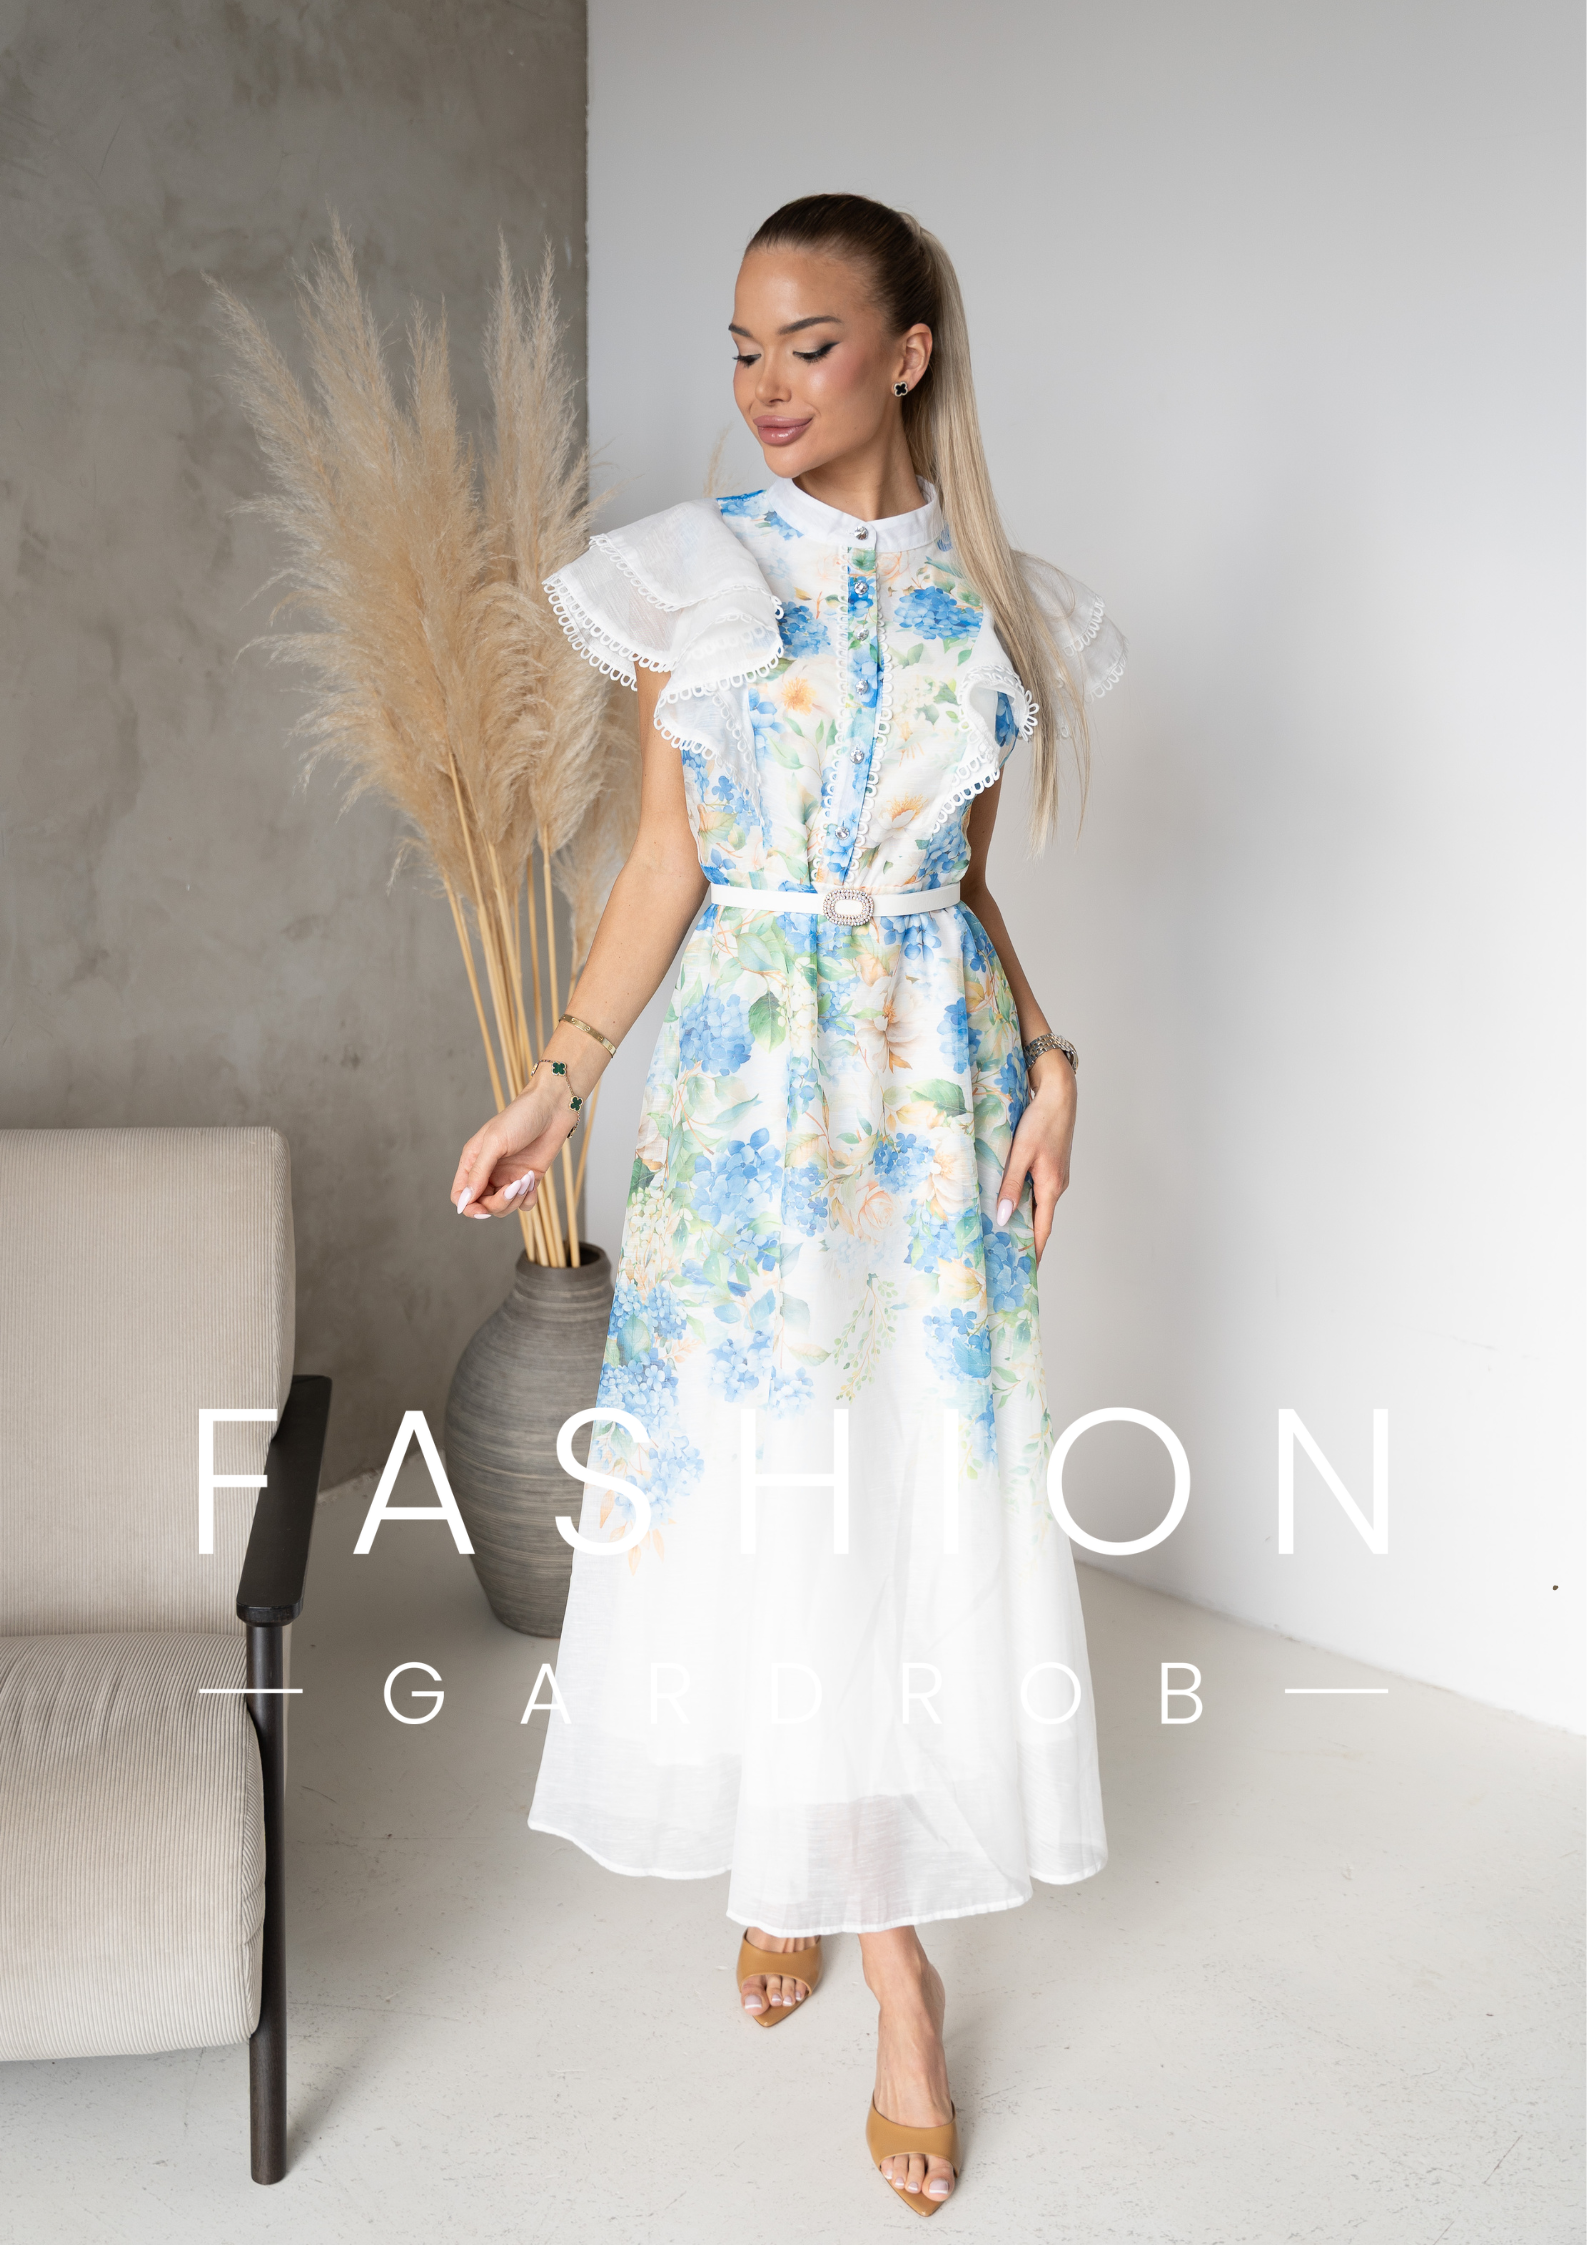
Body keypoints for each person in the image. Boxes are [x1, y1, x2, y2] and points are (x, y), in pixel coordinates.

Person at [449, 191, 1125, 2217]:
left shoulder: (996, 611)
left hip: (929, 1106)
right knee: (769, 1492)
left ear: (904, 355)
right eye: (742, 347)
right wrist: (560, 1077)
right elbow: (665, 863)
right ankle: (875, 1949)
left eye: (807, 346)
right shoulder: (694, 577)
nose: (763, 386)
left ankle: (844, 1897)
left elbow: (958, 888)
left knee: (899, 1494)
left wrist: (1052, 1054)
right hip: (749, 1113)